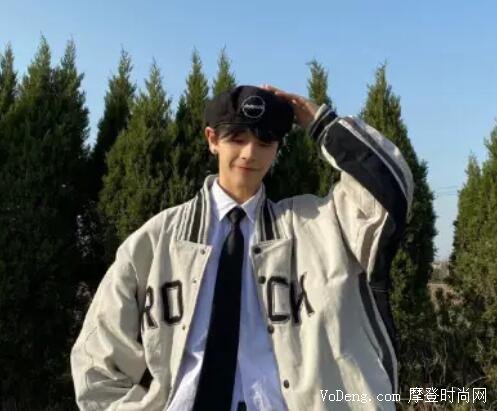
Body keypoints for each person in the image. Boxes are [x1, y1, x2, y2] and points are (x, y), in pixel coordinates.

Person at [71, 84, 413, 411]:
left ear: (278, 148)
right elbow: (95, 361)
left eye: (265, 141)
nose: (250, 153)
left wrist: (322, 124)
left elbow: (386, 196)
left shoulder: (318, 227)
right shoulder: (157, 240)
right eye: (237, 138)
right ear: (212, 140)